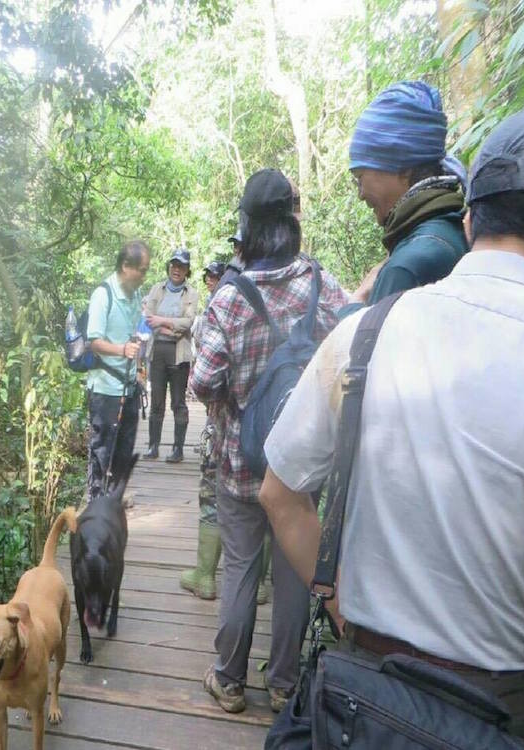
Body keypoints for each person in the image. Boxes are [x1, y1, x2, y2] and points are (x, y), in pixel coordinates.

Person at [261, 105, 524, 740]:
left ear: (471, 221)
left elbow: (279, 493)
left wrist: (336, 605)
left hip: (360, 693)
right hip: (496, 708)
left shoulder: (367, 333)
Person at [190, 168, 349, 715]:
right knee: (290, 573)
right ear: (292, 222)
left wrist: (234, 400)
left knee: (239, 567)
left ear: (248, 228)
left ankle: (230, 681)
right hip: (301, 465)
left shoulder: (231, 297)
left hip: (240, 461)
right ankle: (283, 685)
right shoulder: (323, 287)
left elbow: (203, 381)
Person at [341, 80, 468, 317]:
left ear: (403, 168)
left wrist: (356, 299)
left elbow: (361, 351)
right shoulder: (455, 225)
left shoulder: (408, 267)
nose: (360, 193)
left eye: (360, 177)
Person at [85, 240, 150, 501]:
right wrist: (122, 350)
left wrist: (137, 364)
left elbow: (132, 333)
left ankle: (115, 496)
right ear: (126, 266)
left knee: (125, 446)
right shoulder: (103, 294)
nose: (144, 276)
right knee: (102, 448)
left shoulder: (134, 296)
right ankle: (95, 500)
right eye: (142, 270)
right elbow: (94, 342)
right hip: (105, 387)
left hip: (128, 384)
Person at [181, 259, 227, 600]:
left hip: (225, 421)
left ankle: (206, 577)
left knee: (212, 496)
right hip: (275, 425)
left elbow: (202, 381)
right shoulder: (309, 285)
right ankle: (257, 585)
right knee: (265, 506)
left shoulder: (223, 303)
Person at [142, 248, 200, 463]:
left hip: (178, 355)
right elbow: (148, 317)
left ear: (187, 270)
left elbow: (189, 322)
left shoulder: (191, 293)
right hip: (157, 351)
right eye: (174, 265)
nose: (177, 270)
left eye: (182, 266)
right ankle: (153, 446)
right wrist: (172, 328)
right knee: (157, 402)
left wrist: (163, 324)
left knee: (178, 402)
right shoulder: (157, 289)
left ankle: (178, 449)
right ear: (169, 267)